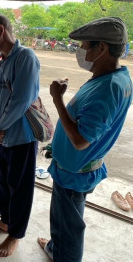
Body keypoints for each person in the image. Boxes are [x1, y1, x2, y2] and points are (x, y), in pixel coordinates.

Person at [38, 17, 132, 262]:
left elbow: (81, 140)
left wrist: (57, 99)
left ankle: (64, 254)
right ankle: (56, 247)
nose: (79, 51)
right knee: (62, 218)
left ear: (101, 48)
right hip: (73, 168)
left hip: (75, 172)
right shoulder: (112, 78)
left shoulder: (107, 88)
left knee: (69, 226)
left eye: (84, 46)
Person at [0, 15, 40, 257]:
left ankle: (15, 234)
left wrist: (1, 127)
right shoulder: (2, 61)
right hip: (3, 136)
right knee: (2, 181)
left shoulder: (25, 57)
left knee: (20, 187)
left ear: (0, 31)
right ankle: (6, 220)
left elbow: (22, 99)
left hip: (21, 137)